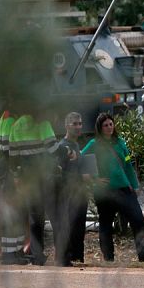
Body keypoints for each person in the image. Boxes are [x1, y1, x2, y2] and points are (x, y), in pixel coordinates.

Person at [81, 113, 144, 263]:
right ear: (100, 128)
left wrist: (135, 185)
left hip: (124, 189)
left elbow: (128, 165)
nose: (109, 127)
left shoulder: (120, 143)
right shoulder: (94, 144)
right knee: (106, 225)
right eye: (105, 125)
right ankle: (108, 258)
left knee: (138, 220)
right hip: (105, 192)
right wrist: (93, 179)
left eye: (111, 124)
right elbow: (82, 158)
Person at [8, 112, 62, 266]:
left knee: (35, 217)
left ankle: (37, 256)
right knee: (55, 215)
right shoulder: (43, 123)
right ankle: (61, 256)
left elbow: (13, 158)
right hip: (45, 177)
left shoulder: (16, 126)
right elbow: (53, 149)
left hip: (29, 179)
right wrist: (68, 152)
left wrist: (17, 176)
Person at [54, 112, 88, 266]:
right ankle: (67, 257)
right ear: (66, 126)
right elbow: (60, 172)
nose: (78, 127)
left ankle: (78, 257)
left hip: (80, 192)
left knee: (79, 227)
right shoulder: (63, 147)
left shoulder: (76, 145)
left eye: (80, 123)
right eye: (74, 124)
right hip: (68, 193)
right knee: (68, 226)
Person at [0, 109, 28, 265]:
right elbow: (11, 149)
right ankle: (10, 254)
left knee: (18, 214)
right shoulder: (11, 119)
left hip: (9, 166)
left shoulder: (7, 117)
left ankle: (16, 252)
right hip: (11, 167)